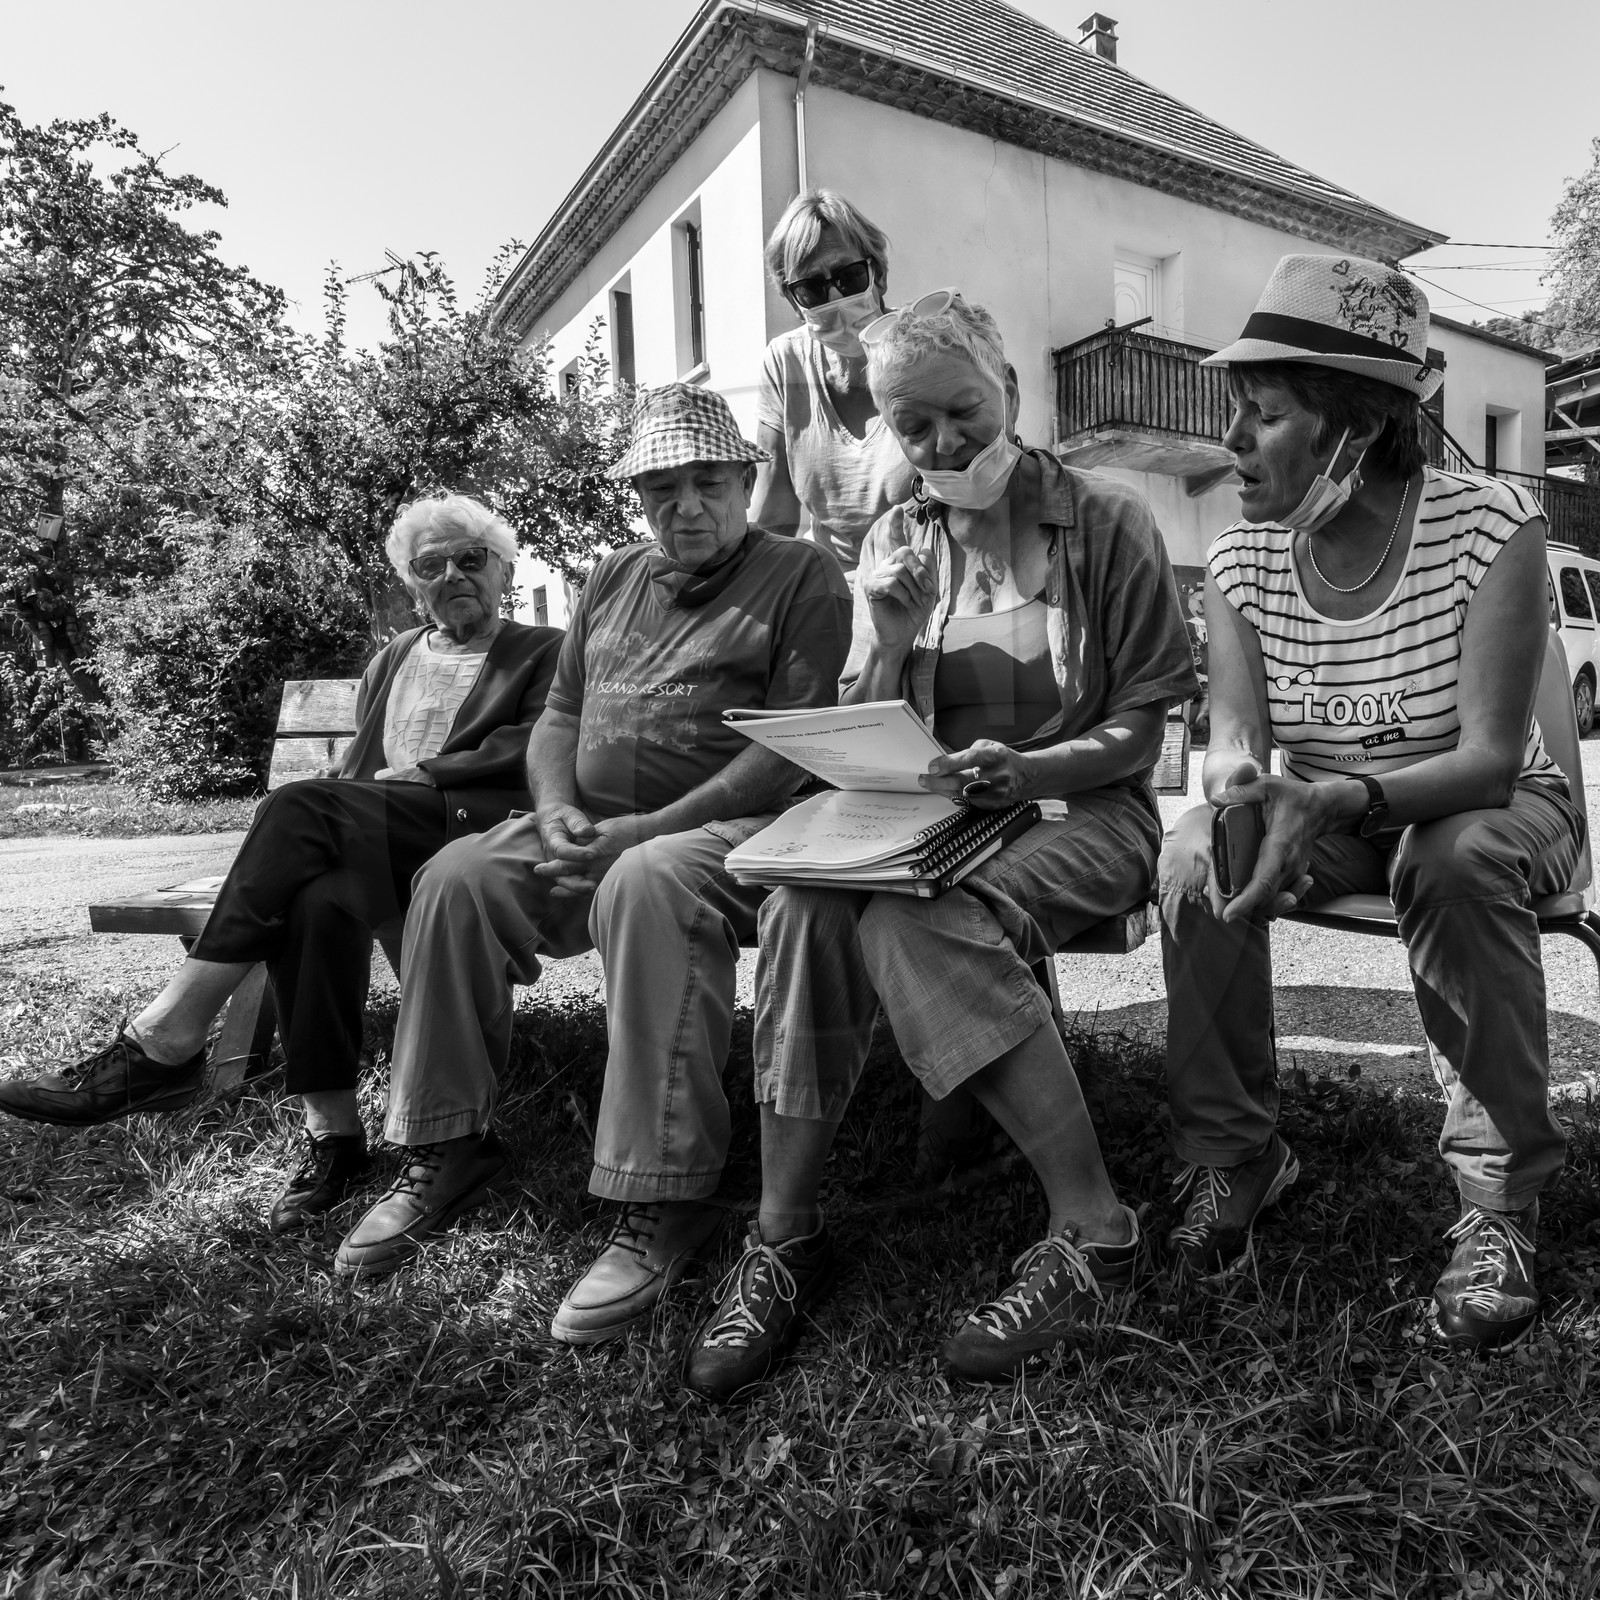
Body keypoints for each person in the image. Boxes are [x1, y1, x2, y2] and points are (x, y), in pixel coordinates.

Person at [679, 292, 1199, 1399]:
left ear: (1006, 386)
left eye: (961, 411)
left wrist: (1034, 769)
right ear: (884, 430)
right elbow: (870, 722)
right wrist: (894, 637)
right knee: (804, 905)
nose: (942, 444)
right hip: (934, 817)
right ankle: (782, 1236)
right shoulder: (893, 539)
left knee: (915, 915)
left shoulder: (1105, 520)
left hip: (1081, 810)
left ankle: (1094, 1225)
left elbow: (1145, 725)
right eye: (911, 428)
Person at [333, 383, 853, 1293]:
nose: (685, 506)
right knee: (454, 875)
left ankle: (662, 1188)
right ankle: (444, 1144)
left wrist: (642, 829)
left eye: (706, 483)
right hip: (588, 825)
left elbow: (787, 748)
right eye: (662, 488)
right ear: (641, 497)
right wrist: (556, 805)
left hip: (729, 832)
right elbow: (562, 711)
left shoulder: (800, 574)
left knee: (647, 878)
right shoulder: (614, 575)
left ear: (743, 479)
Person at [1157, 255, 1583, 1351]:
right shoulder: (1239, 557)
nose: (1233, 442)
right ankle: (1235, 1153)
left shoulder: (1492, 526)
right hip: (1329, 810)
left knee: (1444, 855)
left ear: (1353, 428)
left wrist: (1338, 792)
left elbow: (1491, 760)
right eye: (1235, 415)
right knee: (1203, 849)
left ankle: (1497, 1206)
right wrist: (1228, 799)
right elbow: (1238, 741)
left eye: (1264, 416)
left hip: (1490, 807)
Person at [0, 494, 564, 1232]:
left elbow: (542, 740)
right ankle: (334, 1135)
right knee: (315, 900)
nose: (454, 573)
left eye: (472, 558)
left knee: (298, 808)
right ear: (412, 580)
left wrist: (433, 771)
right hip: (373, 838)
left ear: (504, 569)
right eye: (432, 564)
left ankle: (167, 1038)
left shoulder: (543, 649)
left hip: (473, 836)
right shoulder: (394, 657)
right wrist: (363, 801)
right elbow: (362, 766)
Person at [748, 189, 916, 575]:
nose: (835, 295)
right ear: (794, 303)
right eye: (811, 287)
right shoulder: (784, 363)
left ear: (879, 275)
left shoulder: (927, 346)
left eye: (849, 275)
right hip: (838, 591)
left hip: (929, 580)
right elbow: (774, 514)